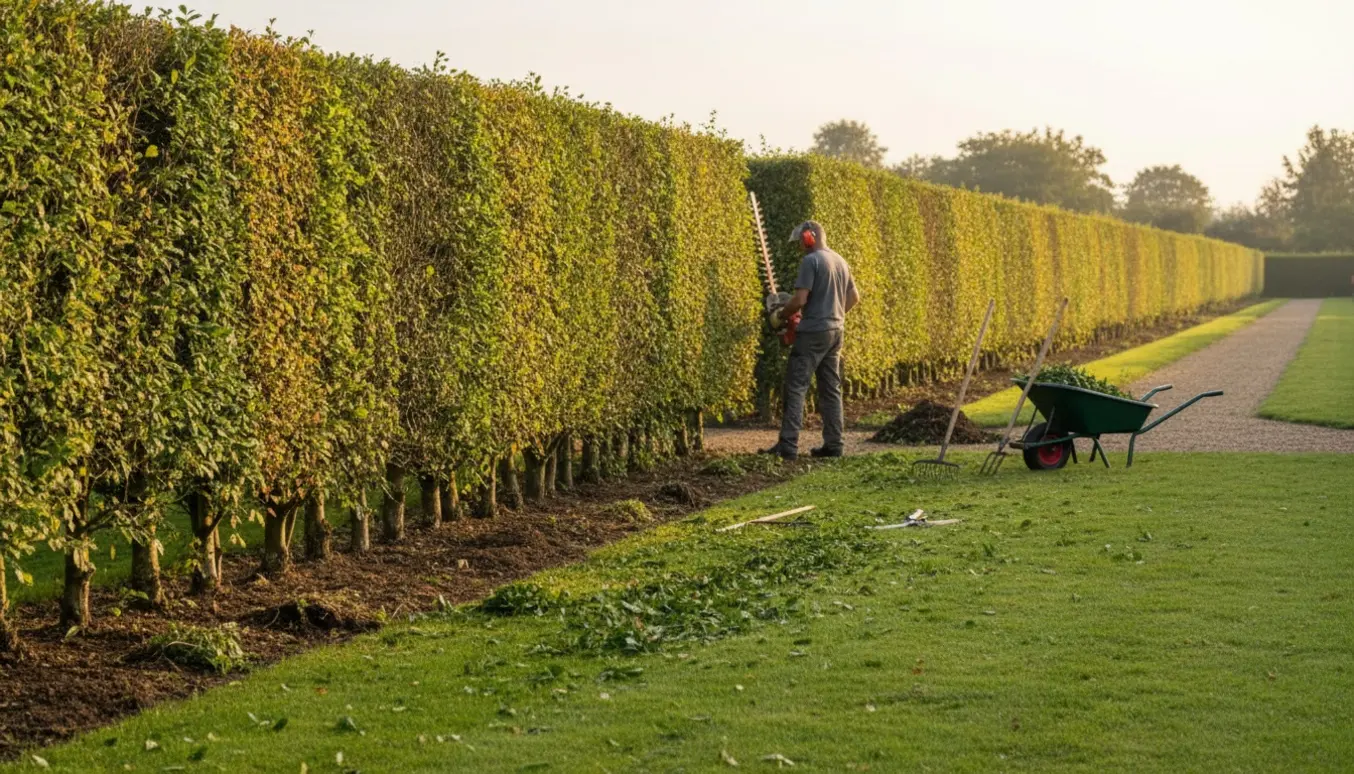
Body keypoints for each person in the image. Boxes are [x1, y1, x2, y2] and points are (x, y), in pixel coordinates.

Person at [763, 220, 860, 460]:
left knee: (796, 387)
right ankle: (834, 445)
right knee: (830, 389)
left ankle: (788, 446)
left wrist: (780, 315)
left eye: (801, 243)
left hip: (813, 333)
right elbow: (854, 297)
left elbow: (799, 300)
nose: (800, 248)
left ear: (810, 237)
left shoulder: (811, 261)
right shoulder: (840, 260)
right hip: (836, 331)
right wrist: (833, 314)